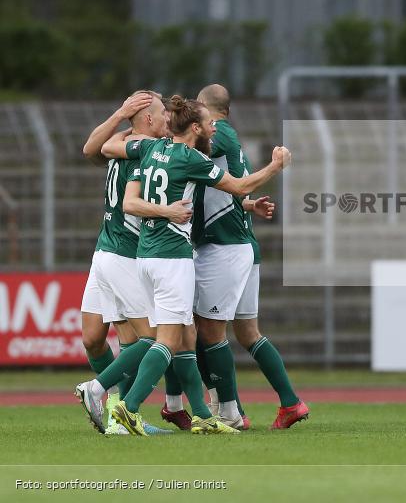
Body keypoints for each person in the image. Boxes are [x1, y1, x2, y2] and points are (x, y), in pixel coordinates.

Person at [92, 96, 291, 436]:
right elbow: (239, 184)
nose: (216, 128)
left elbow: (117, 172)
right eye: (210, 123)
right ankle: (120, 402)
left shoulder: (150, 149)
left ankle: (198, 413)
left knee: (182, 335)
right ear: (196, 128)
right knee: (168, 340)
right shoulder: (191, 158)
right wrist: (275, 166)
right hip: (173, 258)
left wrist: (124, 122)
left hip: (145, 257)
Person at [192, 83, 309, 430]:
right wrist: (245, 205)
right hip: (240, 244)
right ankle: (290, 402)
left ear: (204, 109)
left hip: (222, 248)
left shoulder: (217, 136)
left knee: (208, 333)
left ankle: (229, 411)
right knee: (247, 333)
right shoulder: (229, 138)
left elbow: (184, 153)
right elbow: (224, 189)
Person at [76, 91, 181, 435]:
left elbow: (95, 148)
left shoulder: (122, 143)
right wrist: (121, 114)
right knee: (153, 339)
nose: (169, 120)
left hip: (107, 252)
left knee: (106, 338)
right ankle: (98, 390)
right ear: (149, 119)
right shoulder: (143, 151)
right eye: (164, 114)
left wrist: (120, 120)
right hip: (123, 253)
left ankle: (118, 419)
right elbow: (91, 150)